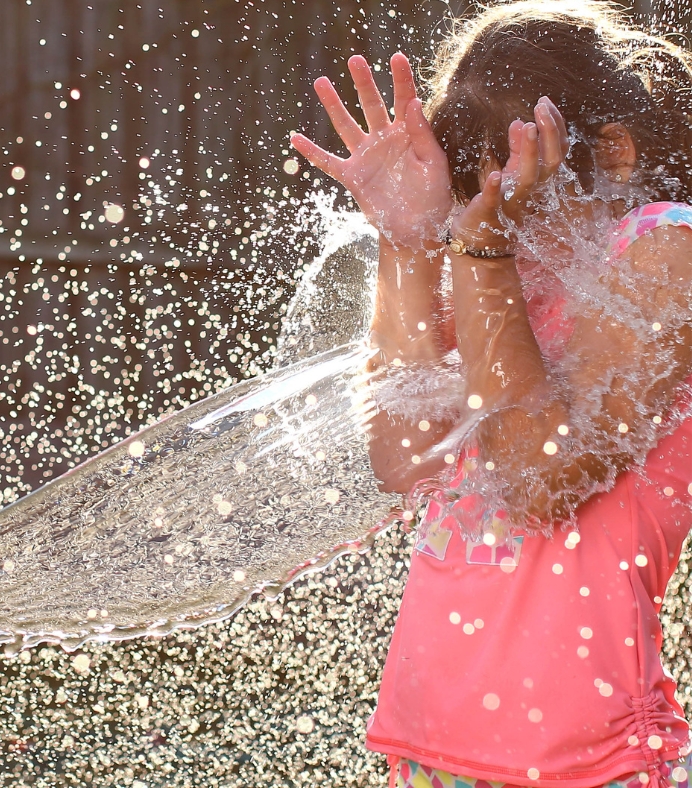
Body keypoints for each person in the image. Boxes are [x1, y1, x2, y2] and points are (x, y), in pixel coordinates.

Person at [291, 2, 692, 787]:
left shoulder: (664, 247)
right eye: (472, 193)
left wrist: (479, 253)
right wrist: (407, 244)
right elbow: (407, 460)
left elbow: (539, 478)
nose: (488, 216)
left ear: (610, 152)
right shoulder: (504, 273)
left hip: (592, 761)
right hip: (429, 751)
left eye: (512, 189)